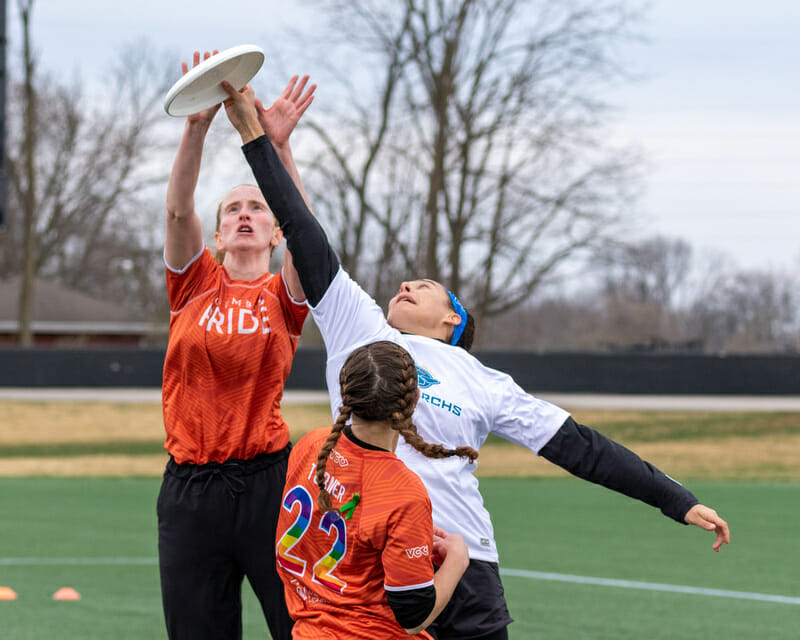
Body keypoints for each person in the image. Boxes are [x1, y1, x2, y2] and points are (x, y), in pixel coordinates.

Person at [221, 81, 731, 640]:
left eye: (430, 286)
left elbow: (584, 449)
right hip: (373, 562)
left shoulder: (484, 381)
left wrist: (675, 499)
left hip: (464, 564)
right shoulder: (360, 329)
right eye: (408, 281)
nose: (409, 283)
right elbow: (304, 232)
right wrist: (259, 141)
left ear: (453, 323)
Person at [158, 52, 315, 640]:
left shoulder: (285, 295)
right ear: (219, 234)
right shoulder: (193, 283)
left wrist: (279, 148)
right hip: (190, 489)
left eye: (257, 208)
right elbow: (177, 208)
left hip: (268, 487)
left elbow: (307, 232)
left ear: (275, 232)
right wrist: (196, 124)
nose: (245, 216)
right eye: (233, 210)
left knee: (299, 627)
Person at [276, 340, 475, 638]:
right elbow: (413, 617)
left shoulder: (311, 445)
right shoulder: (402, 491)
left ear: (347, 392)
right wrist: (457, 560)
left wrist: (405, 541)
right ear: (413, 400)